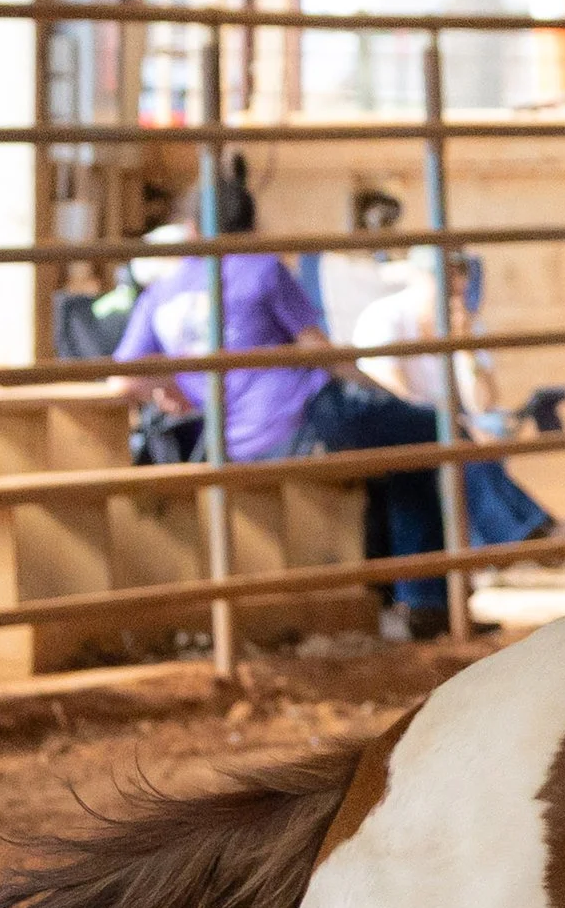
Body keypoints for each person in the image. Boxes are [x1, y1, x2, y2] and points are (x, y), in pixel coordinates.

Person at [110, 160, 474, 641]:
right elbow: (320, 354)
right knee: (437, 433)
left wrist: (175, 389)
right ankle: (442, 590)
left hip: (234, 441)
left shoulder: (164, 293)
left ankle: (417, 599)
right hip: (305, 419)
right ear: (253, 224)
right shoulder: (262, 269)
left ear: (192, 229)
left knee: (402, 453)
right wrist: (385, 392)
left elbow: (122, 381)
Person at [351, 246, 565, 552]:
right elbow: (393, 397)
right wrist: (457, 422)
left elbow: (484, 403)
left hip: (445, 428)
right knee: (456, 441)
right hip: (397, 428)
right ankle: (532, 535)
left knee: (484, 431)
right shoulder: (385, 318)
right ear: (422, 278)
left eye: (461, 273)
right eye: (448, 274)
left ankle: (520, 537)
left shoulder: (462, 323)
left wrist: (465, 348)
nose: (458, 284)